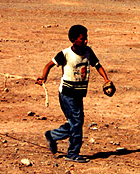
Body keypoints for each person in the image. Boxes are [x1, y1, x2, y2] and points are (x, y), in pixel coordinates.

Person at [35, 24, 112, 163]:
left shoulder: (88, 51)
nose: (86, 41)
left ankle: (53, 135)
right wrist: (43, 77)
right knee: (76, 122)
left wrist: (106, 79)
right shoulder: (65, 54)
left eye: (86, 38)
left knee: (76, 122)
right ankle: (72, 153)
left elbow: (97, 65)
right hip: (67, 94)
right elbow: (48, 65)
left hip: (79, 93)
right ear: (73, 39)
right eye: (82, 39)